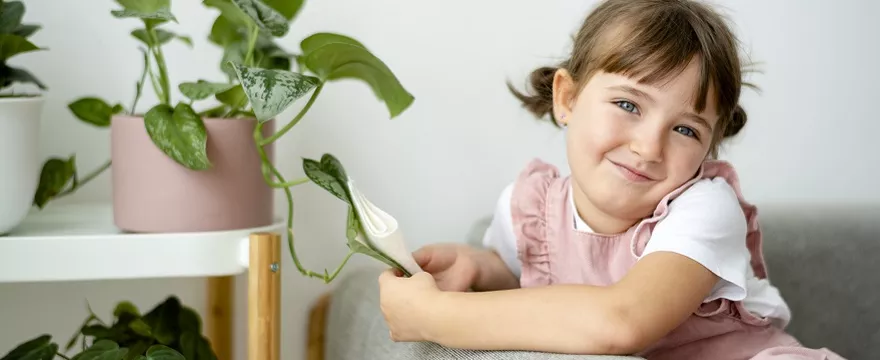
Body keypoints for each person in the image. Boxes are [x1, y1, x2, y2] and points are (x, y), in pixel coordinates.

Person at [377, 0, 846, 359]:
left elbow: (621, 322)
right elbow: (533, 283)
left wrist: (433, 317)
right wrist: (481, 268)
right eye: (628, 105)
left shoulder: (703, 207)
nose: (648, 146)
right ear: (568, 98)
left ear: (708, 149)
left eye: (685, 130)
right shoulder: (528, 210)